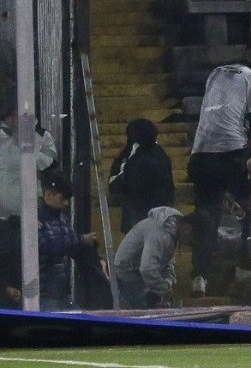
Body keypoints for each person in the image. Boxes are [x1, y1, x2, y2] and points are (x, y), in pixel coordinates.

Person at [187, 63, 251, 297]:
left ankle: (199, 275)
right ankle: (244, 268)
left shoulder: (214, 76)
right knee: (248, 211)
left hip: (201, 157)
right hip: (231, 156)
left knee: (206, 217)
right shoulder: (250, 78)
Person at [112, 206, 196, 309]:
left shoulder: (172, 231)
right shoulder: (160, 234)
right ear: (187, 229)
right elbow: (147, 269)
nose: (188, 245)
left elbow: (168, 263)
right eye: (191, 242)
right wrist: (164, 290)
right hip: (127, 273)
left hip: (140, 273)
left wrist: (168, 282)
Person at [38, 172, 98, 310]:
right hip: (46, 293)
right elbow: (50, 246)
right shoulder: (37, 219)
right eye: (62, 198)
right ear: (48, 195)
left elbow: (69, 243)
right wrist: (82, 239)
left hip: (62, 291)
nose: (65, 203)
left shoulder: (62, 217)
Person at [108, 118, 174, 233]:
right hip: (162, 216)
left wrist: (119, 161)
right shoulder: (162, 155)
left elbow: (115, 185)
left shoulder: (136, 159)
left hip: (139, 218)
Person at [0, 94, 58, 219]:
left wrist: (27, 149)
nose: (15, 119)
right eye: (12, 115)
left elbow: (53, 166)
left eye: (18, 114)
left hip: (33, 214)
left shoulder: (42, 136)